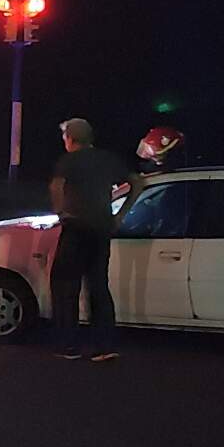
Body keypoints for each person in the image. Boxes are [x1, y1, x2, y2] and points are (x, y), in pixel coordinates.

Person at [49, 118, 145, 361]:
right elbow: (137, 182)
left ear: (71, 138)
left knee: (64, 285)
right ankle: (104, 345)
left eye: (65, 137)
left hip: (76, 227)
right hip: (102, 228)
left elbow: (56, 186)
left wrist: (61, 213)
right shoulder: (107, 159)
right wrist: (120, 216)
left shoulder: (69, 161)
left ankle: (67, 345)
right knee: (98, 285)